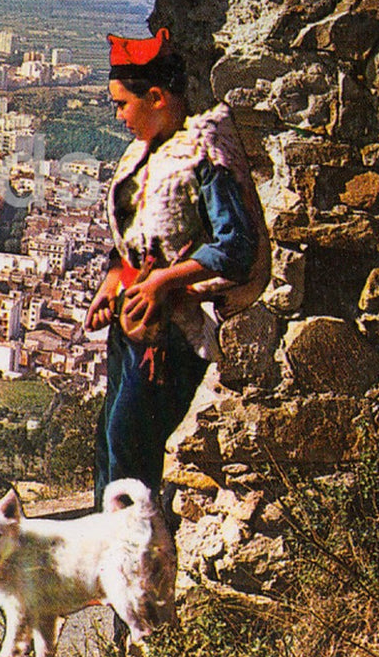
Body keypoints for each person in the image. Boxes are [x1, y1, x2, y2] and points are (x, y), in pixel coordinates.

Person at [83, 29, 270, 512]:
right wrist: (113, 280)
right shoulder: (146, 153)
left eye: (122, 105)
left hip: (174, 334)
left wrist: (166, 280)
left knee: (131, 447)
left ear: (157, 97)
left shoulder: (202, 156)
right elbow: (137, 240)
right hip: (135, 324)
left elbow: (236, 247)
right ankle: (112, 560)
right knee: (109, 442)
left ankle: (137, 567)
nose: (118, 116)